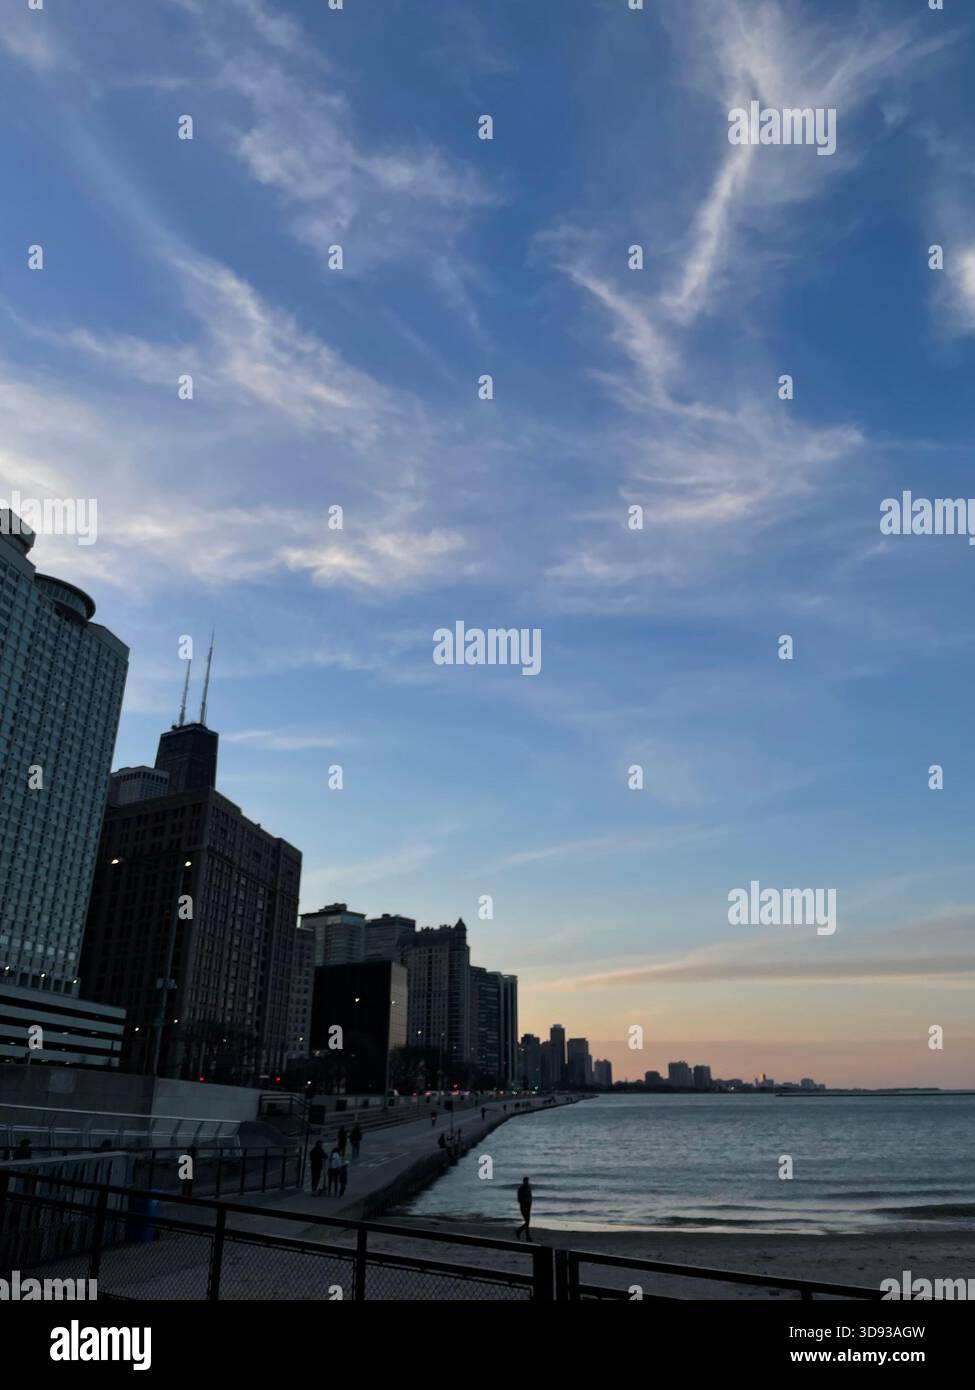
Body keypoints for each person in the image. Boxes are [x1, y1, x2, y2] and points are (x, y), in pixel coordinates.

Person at [515, 1176, 533, 1242]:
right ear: (523, 1182)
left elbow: (531, 1196)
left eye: (528, 1181)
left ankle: (527, 1237)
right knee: (527, 1222)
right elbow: (519, 1199)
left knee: (527, 1222)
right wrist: (525, 1201)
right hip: (523, 1207)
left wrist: (530, 1203)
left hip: (528, 1207)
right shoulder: (521, 1189)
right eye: (526, 1181)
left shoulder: (529, 1187)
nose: (527, 1182)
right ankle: (519, 1231)